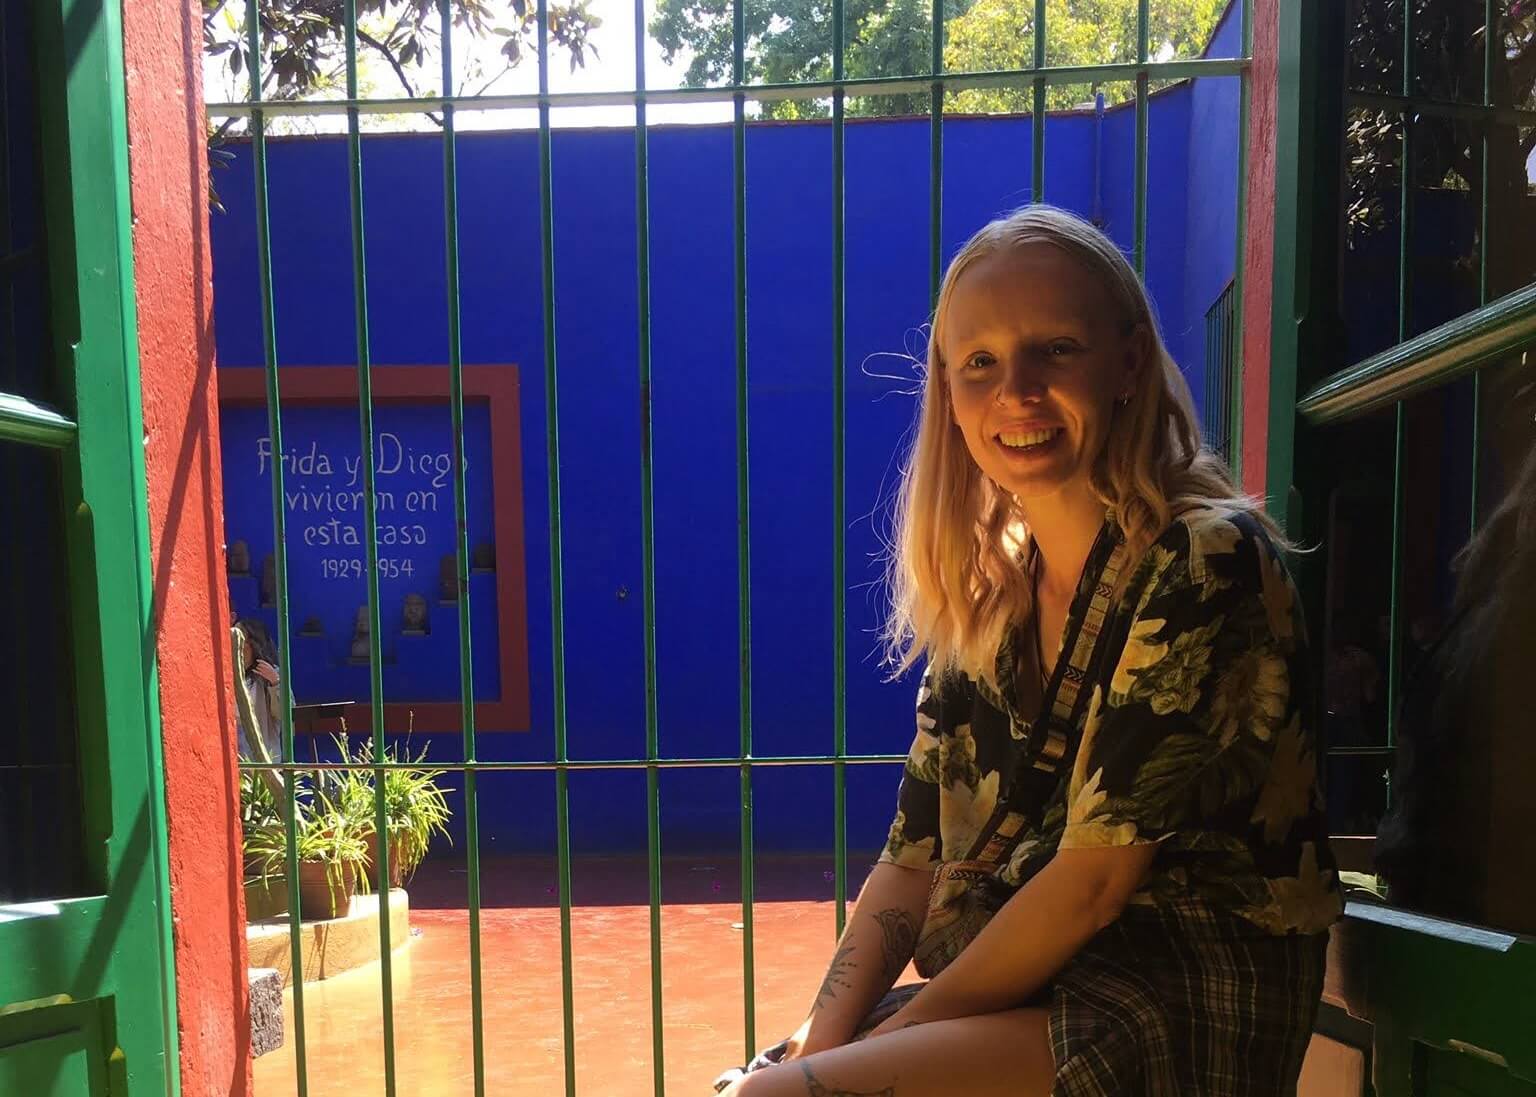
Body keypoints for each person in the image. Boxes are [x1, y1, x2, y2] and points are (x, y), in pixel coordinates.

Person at [715, 205, 1340, 1097]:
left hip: (1179, 993)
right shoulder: (989, 603)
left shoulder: (1206, 559)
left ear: (1128, 362)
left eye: (1055, 348)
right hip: (1034, 990)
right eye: (980, 363)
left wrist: (842, 1062)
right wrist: (815, 1039)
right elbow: (911, 861)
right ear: (950, 397)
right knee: (764, 1081)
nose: (1017, 390)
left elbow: (1092, 885)